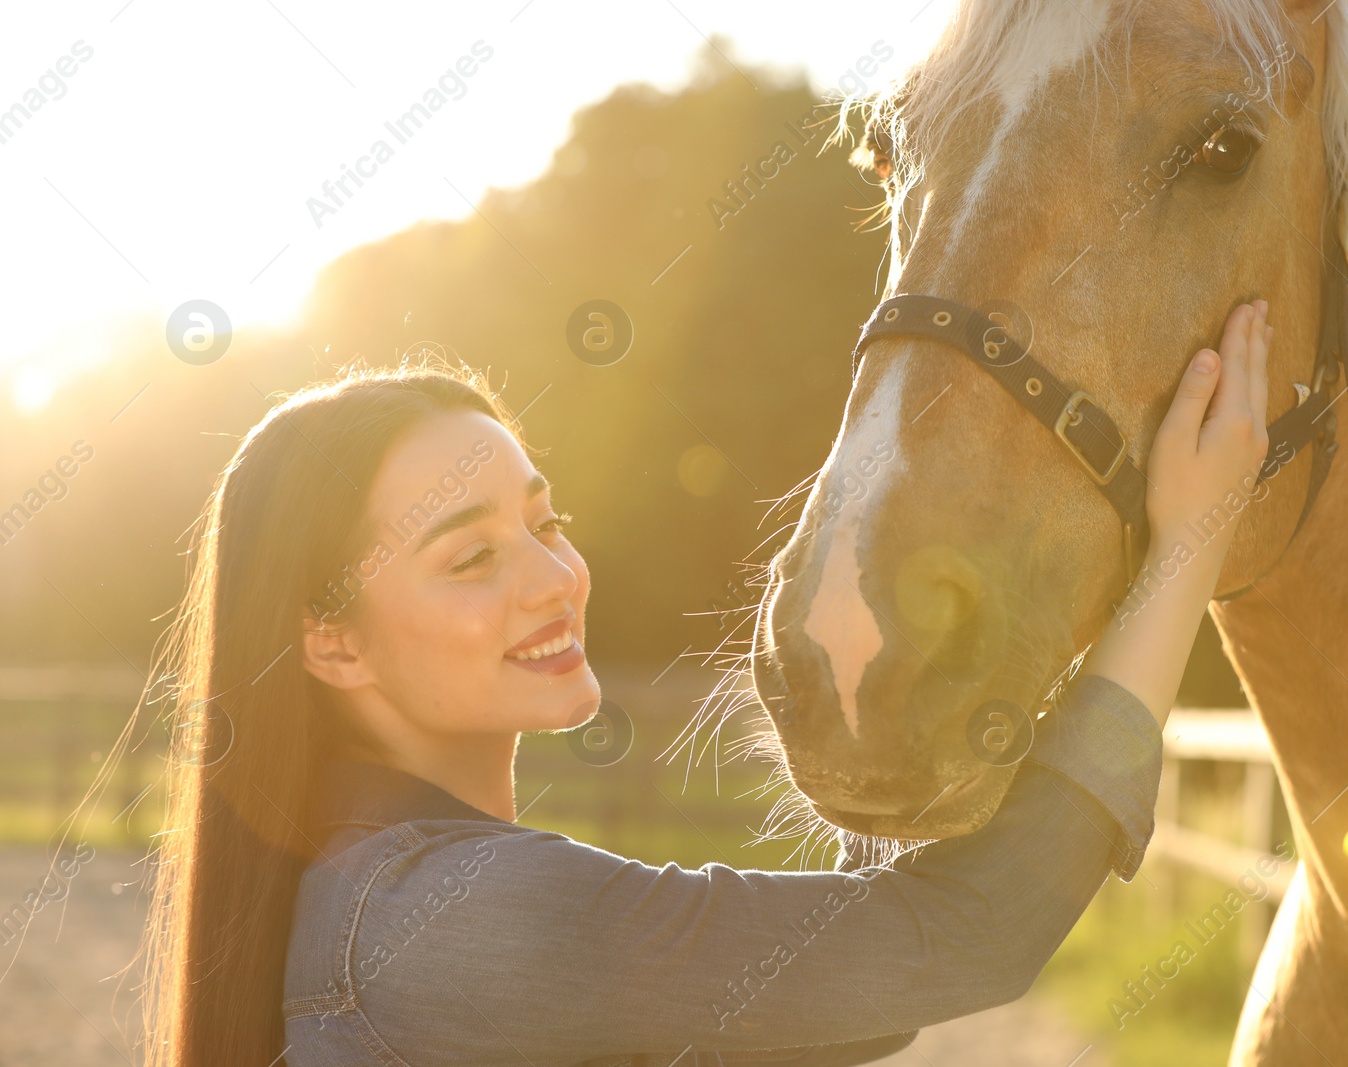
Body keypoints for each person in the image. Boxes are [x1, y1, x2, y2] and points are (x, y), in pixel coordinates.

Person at [131, 302, 1273, 1066]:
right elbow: (969, 934)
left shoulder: (365, 894)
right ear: (332, 642)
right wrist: (1185, 551)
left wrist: (877, 672)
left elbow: (837, 1000)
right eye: (471, 557)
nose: (553, 579)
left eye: (545, 522)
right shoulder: (459, 915)